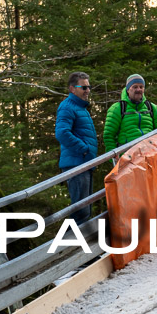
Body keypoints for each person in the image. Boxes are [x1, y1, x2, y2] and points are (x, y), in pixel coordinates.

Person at [55, 71, 98, 225]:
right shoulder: (67, 106)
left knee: (84, 209)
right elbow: (61, 133)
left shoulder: (81, 108)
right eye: (84, 87)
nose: (88, 91)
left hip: (84, 163)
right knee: (81, 211)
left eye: (89, 87)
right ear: (72, 89)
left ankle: (73, 245)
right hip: (76, 164)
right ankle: (66, 246)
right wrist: (84, 149)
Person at [103, 74, 157, 156]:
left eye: (141, 87)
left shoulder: (152, 108)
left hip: (150, 155)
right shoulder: (117, 108)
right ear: (128, 89)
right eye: (135, 87)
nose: (138, 89)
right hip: (127, 157)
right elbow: (109, 135)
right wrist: (113, 158)